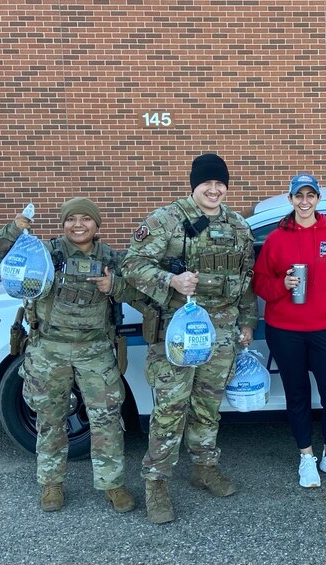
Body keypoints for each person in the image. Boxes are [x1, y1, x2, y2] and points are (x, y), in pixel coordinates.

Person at [0, 198, 140, 514]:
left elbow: (139, 290)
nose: (78, 225)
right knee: (50, 419)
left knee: (106, 419)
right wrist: (14, 230)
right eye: (71, 219)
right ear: (63, 223)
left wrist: (114, 285)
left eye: (86, 219)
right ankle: (51, 483)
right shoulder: (45, 254)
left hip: (95, 351)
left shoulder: (110, 258)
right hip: (49, 349)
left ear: (96, 225)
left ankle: (113, 484)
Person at [121, 153, 257, 524]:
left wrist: (247, 321)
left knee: (207, 406)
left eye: (219, 184)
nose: (213, 190)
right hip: (178, 334)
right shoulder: (166, 220)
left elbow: (246, 279)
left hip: (222, 334)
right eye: (206, 184)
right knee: (170, 410)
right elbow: (131, 263)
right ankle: (157, 483)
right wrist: (171, 281)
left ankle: (204, 468)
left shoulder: (239, 226)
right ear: (193, 185)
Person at [252, 173, 326, 488]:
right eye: (299, 195)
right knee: (297, 396)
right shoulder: (275, 239)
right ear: (291, 200)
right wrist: (282, 285)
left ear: (318, 200)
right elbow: (260, 283)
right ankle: (307, 458)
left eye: (310, 195)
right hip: (285, 331)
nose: (305, 201)